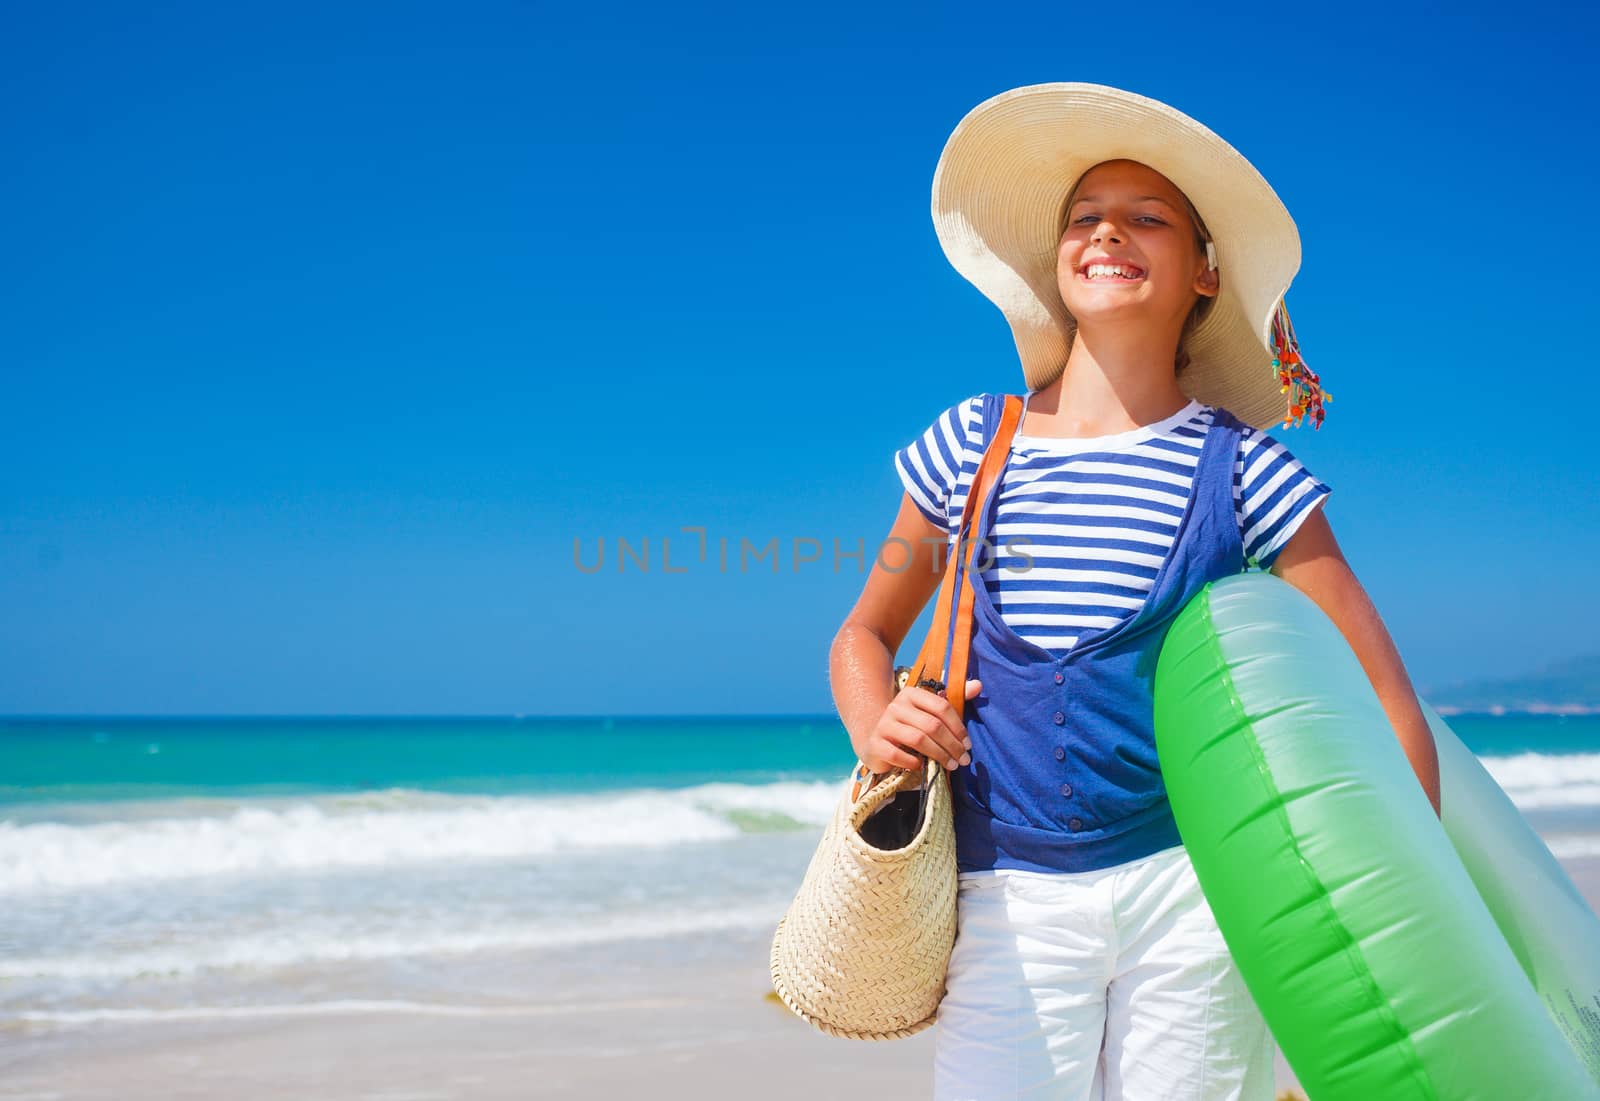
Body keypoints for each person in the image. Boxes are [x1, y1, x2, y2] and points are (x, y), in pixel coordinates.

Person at [827, 83, 1442, 1101]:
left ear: (1203, 270)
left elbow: (1382, 697)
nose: (1107, 231)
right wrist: (873, 719)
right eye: (1083, 218)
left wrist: (1407, 917)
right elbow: (862, 634)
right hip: (1001, 894)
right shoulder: (974, 445)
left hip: (1197, 890)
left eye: (1146, 217)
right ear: (1059, 261)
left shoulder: (1247, 471)